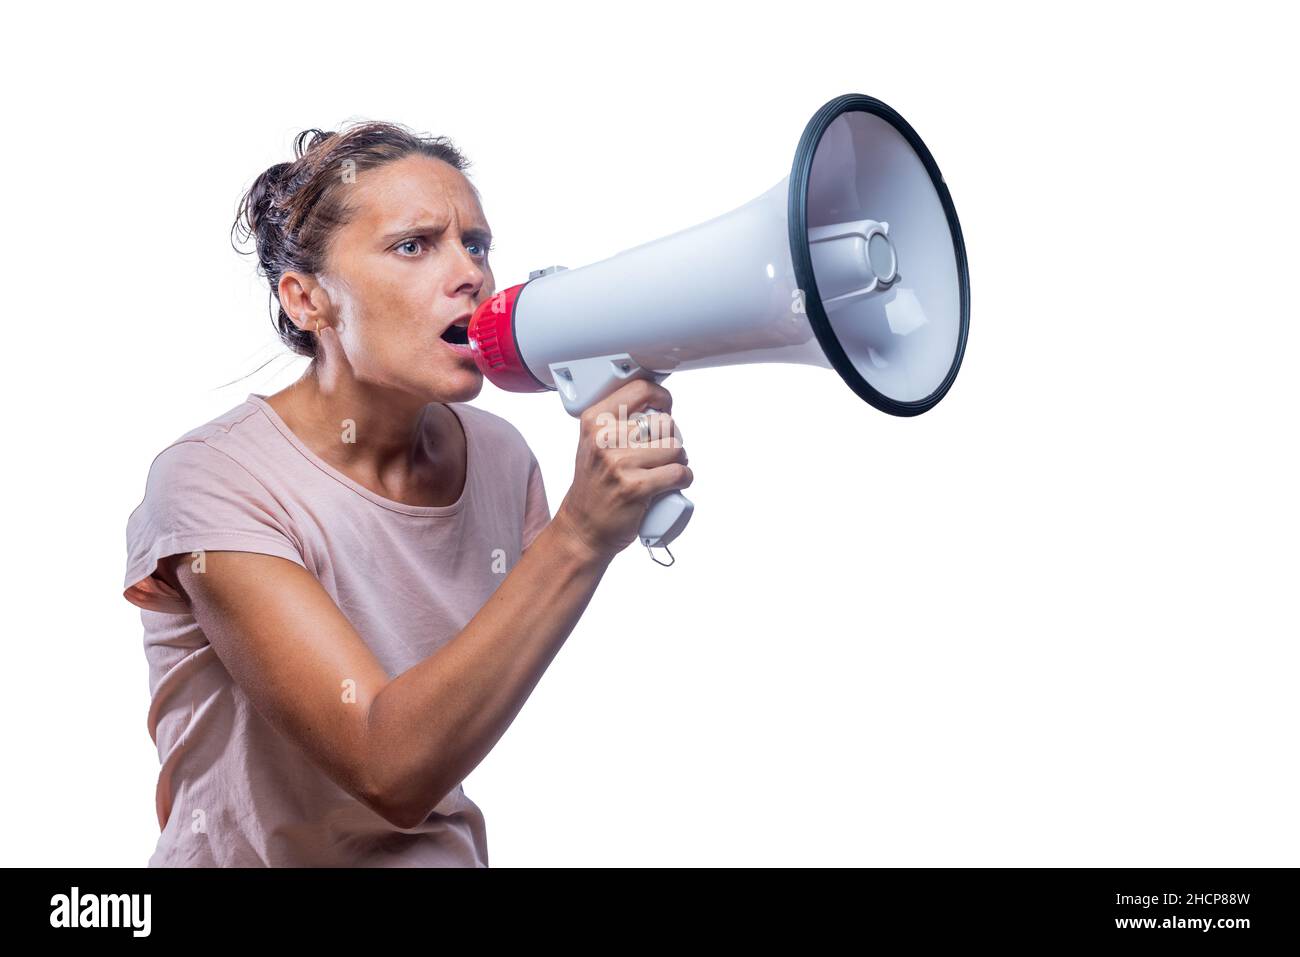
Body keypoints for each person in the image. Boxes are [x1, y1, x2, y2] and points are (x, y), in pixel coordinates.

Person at [121, 121, 692, 866]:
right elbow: (386, 766)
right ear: (307, 300)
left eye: (476, 243)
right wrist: (581, 536)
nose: (472, 276)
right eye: (414, 245)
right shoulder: (211, 481)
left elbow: (468, 708)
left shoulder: (498, 455)